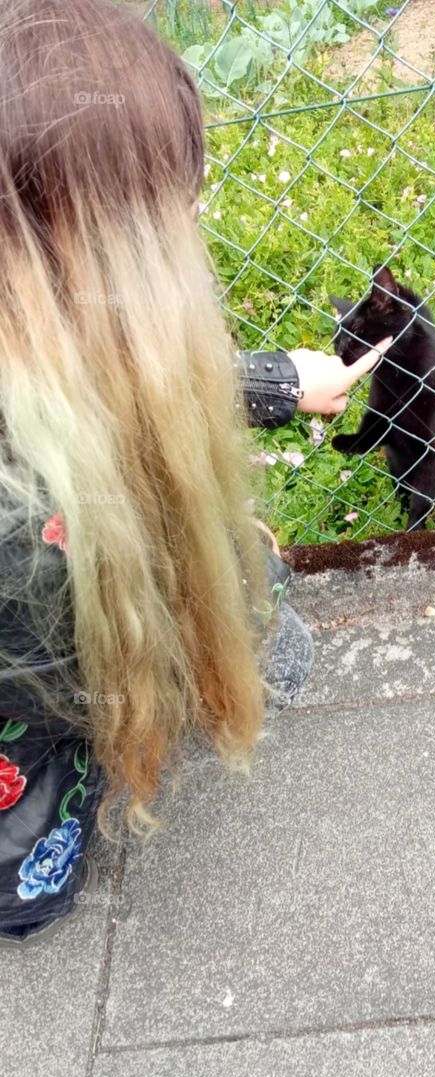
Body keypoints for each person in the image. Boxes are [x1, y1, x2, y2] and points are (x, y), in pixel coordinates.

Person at [0, 0, 389, 945]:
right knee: (28, 863)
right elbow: (107, 648)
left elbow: (111, 376)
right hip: (28, 690)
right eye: (176, 194)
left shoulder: (32, 345)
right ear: (84, 242)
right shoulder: (29, 530)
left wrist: (277, 383)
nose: (199, 208)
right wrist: (228, 568)